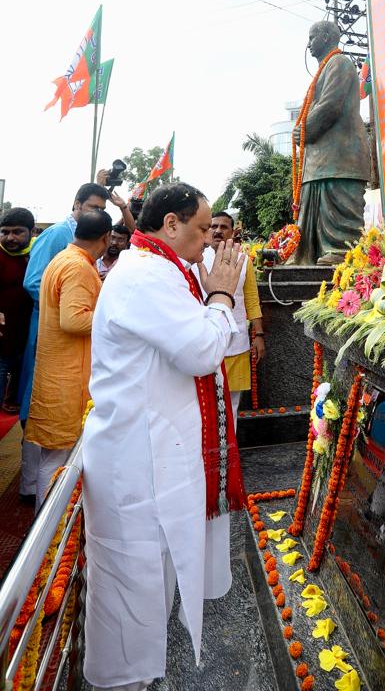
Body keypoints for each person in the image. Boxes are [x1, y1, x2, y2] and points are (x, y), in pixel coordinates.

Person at [82, 183, 246, 691]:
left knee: (153, 578)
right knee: (134, 585)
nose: (207, 243)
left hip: (155, 452)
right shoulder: (143, 276)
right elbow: (201, 349)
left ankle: (143, 676)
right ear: (170, 225)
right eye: (200, 230)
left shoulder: (162, 270)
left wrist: (214, 295)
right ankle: (125, 682)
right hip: (135, 462)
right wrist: (220, 293)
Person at [17, 181, 109, 502]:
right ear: (106, 238)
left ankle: (46, 527)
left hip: (58, 369)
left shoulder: (67, 258)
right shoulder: (78, 265)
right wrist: (112, 319)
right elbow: (73, 320)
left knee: (53, 456)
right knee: (59, 458)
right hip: (68, 375)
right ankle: (49, 534)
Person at [290, 20, 371, 264]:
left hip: (340, 155)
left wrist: (304, 130)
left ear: (326, 37)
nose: (308, 44)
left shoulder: (340, 63)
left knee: (338, 206)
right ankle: (310, 252)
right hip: (322, 158)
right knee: (315, 205)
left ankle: (340, 250)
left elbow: (330, 105)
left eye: (312, 37)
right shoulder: (326, 68)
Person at [200, 212, 264, 426]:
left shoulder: (244, 260)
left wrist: (259, 335)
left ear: (233, 231)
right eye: (213, 226)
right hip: (202, 341)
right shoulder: (196, 259)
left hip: (236, 343)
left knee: (231, 405)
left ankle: (228, 456)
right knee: (204, 405)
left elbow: (252, 299)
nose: (217, 231)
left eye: (223, 227)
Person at [0, 208, 35, 412]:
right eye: (4, 232)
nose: (10, 238)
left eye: (17, 232)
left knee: (20, 375)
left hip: (25, 336)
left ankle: (11, 401)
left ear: (31, 231)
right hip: (2, 338)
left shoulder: (37, 253)